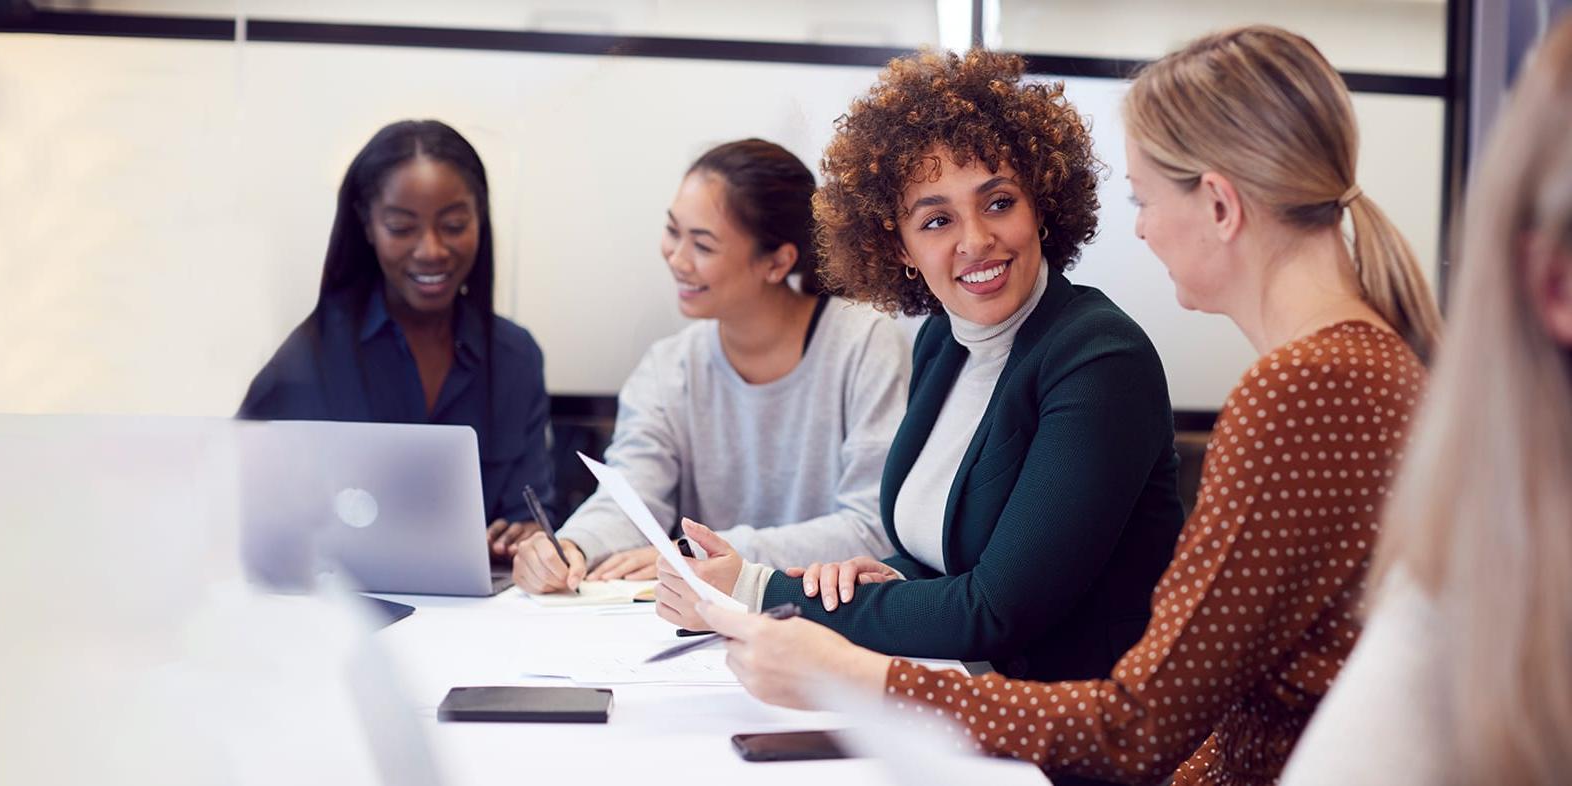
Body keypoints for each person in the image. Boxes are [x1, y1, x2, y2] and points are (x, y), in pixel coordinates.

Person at [693, 26, 1441, 786]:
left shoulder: (1303, 392)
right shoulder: (1346, 371)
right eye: (937, 218)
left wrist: (856, 672)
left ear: (1217, 204)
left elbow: (1137, 724)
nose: (1142, 228)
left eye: (1143, 200)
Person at [656, 49, 1187, 702]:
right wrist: (874, 577)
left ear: (1041, 206)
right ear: (900, 247)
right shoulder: (943, 340)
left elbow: (996, 607)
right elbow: (947, 556)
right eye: (936, 219)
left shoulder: (1100, 360)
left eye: (998, 202)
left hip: (1070, 737)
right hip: (955, 700)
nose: (975, 239)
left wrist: (761, 590)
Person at [1281, 16, 1572, 786]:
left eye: (1144, 197)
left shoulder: (1314, 377)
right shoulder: (1468, 608)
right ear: (1558, 286)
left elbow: (1145, 710)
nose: (1140, 230)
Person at [510, 139, 910, 593]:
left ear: (778, 262)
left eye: (702, 244)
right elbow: (632, 496)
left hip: (828, 616)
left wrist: (704, 554)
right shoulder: (668, 367)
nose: (677, 259)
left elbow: (871, 526)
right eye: (672, 231)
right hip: (701, 623)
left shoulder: (865, 344)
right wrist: (571, 547)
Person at [239, 120, 554, 560]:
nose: (431, 250)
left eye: (454, 224)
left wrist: (528, 540)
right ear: (367, 226)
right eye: (402, 228)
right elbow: (241, 509)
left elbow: (535, 511)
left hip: (484, 618)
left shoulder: (515, 357)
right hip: (348, 612)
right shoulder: (310, 357)